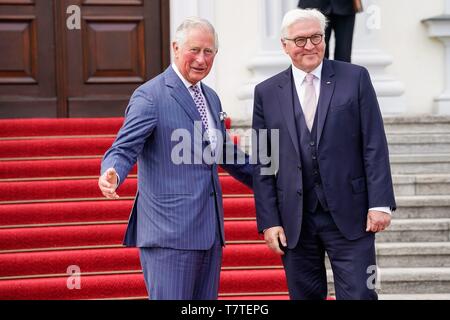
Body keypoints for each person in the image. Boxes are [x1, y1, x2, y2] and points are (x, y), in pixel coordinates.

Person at [98, 17, 253, 300]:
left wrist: (277, 177)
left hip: (209, 233)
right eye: (194, 50)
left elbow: (228, 154)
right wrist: (113, 172)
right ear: (176, 48)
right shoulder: (151, 96)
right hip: (169, 236)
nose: (201, 59)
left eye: (209, 52)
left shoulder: (212, 98)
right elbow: (123, 147)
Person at [252, 8, 396, 300]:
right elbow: (265, 162)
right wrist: (269, 220)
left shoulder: (354, 78)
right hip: (295, 218)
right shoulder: (266, 92)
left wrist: (380, 202)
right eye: (301, 40)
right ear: (285, 45)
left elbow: (374, 142)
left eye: (316, 37)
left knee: (362, 294)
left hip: (352, 215)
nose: (310, 46)